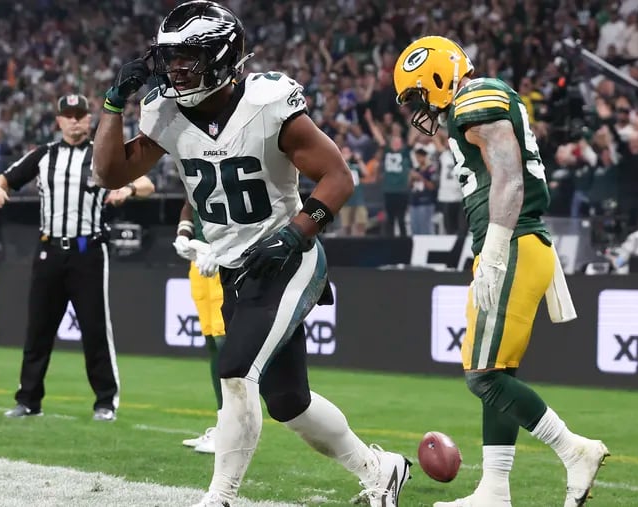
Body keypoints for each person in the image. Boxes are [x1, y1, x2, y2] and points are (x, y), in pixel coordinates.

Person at [91, 2, 410, 506]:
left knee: (236, 370)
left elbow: (338, 177)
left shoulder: (268, 104)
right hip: (234, 265)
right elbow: (110, 175)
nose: (176, 69)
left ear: (222, 57)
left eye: (189, 57)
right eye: (171, 58)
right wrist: (112, 105)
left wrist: (299, 232)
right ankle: (382, 470)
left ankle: (219, 497)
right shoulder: (165, 112)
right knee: (289, 403)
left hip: (287, 257)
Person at [393, 36, 609, 507]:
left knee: (484, 376)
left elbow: (510, 177)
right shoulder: (471, 104)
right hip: (515, 241)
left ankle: (575, 450)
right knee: (498, 370)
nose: (418, 107)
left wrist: (492, 250)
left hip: (512, 241)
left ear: (438, 75)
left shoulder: (476, 98)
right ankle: (494, 491)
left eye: (417, 94)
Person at [0, 93, 155, 422]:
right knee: (38, 329)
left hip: (87, 251)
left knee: (94, 329)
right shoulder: (43, 156)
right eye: (68, 115)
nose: (75, 120)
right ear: (58, 120)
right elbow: (5, 178)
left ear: (90, 120)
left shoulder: (101, 156)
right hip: (48, 250)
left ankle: (105, 401)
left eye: (80, 115)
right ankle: (28, 400)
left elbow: (146, 184)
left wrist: (128, 189)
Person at [174, 200, 226, 454]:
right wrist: (184, 234)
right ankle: (224, 424)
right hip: (200, 259)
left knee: (224, 345)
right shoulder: (192, 161)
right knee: (212, 344)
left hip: (225, 259)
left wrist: (223, 249)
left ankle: (231, 430)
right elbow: (189, 201)